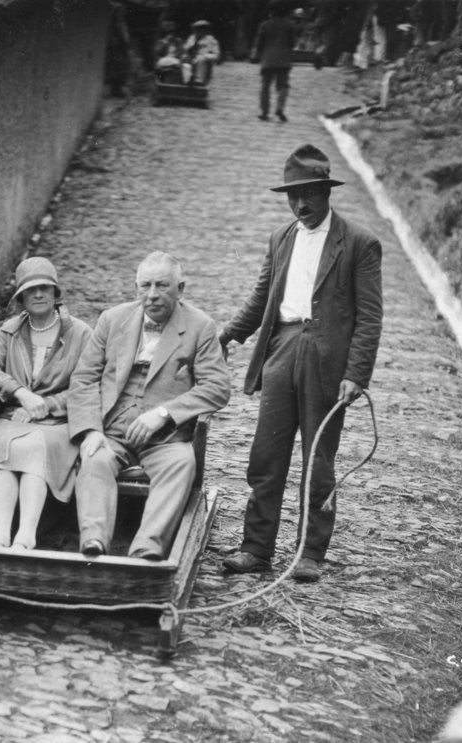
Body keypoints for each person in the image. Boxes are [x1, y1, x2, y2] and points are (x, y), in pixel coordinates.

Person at [219, 144, 383, 583]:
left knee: (318, 460)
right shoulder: (281, 238)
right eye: (293, 195)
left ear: (326, 191)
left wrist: (356, 374)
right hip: (282, 349)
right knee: (266, 455)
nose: (300, 204)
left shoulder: (359, 243)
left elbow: (370, 316)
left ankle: (310, 552)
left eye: (309, 193)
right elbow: (262, 298)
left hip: (327, 361)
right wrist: (227, 334)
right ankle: (256, 548)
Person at [67, 252, 230, 560]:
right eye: (145, 285)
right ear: (136, 287)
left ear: (180, 289)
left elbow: (218, 387)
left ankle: (147, 550)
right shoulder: (112, 319)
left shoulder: (200, 326)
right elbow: (84, 378)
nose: (152, 294)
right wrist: (90, 430)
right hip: (111, 432)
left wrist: (164, 414)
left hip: (164, 439)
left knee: (182, 463)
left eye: (162, 285)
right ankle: (93, 544)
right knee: (93, 459)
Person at [0, 258, 93, 550]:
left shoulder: (80, 333)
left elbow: (88, 386)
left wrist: (46, 405)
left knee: (35, 448)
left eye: (44, 288)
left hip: (58, 421)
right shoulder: (11, 330)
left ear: (55, 293)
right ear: (21, 298)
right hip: (14, 416)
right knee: (5, 448)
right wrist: (20, 393)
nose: (38, 295)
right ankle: (0, 536)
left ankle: (26, 535)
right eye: (30, 290)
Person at [252, 1, 296, 121]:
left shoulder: (264, 25)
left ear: (271, 12)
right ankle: (280, 108)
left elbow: (260, 43)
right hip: (284, 59)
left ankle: (264, 112)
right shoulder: (289, 25)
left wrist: (257, 55)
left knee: (265, 86)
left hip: (268, 59)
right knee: (283, 86)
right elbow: (292, 43)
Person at [183, 19, 220, 86]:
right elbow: (185, 50)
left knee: (201, 59)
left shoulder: (211, 40)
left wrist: (204, 56)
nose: (198, 31)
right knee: (184, 62)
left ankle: (199, 81)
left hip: (203, 63)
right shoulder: (191, 38)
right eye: (196, 29)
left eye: (201, 29)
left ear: (205, 30)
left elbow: (216, 56)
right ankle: (186, 81)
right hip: (192, 61)